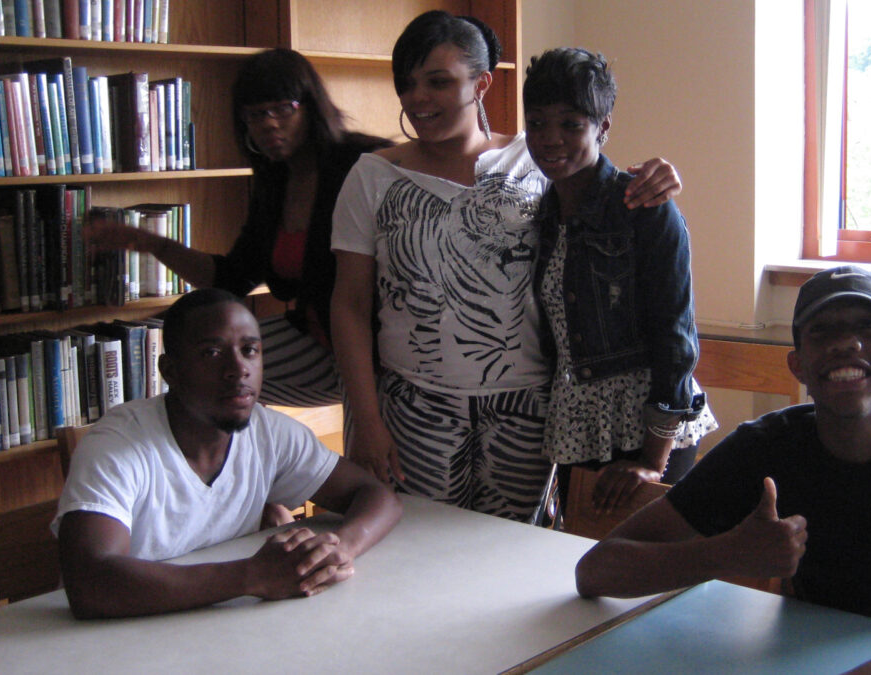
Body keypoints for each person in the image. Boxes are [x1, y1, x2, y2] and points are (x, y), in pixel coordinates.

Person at [575, 266, 871, 673]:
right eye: (822, 332)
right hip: (803, 657)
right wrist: (724, 555)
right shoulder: (766, 448)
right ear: (797, 366)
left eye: (867, 327)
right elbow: (596, 572)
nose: (845, 344)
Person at [331, 10, 684, 521]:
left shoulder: (535, 160)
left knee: (513, 558)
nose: (418, 99)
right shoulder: (372, 177)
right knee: (414, 554)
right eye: (406, 85)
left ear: (482, 83)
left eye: (438, 81)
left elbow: (605, 199)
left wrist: (661, 177)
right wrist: (365, 419)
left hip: (530, 409)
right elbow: (349, 304)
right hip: (415, 406)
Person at [53, 289, 402, 619]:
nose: (239, 369)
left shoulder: (269, 432)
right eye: (212, 353)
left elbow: (377, 495)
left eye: (250, 350)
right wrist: (251, 576)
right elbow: (89, 583)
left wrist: (340, 549)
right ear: (169, 371)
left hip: (221, 629)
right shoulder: (117, 445)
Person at [85, 48, 392, 409]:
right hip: (320, 338)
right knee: (203, 372)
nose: (269, 124)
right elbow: (231, 278)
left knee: (372, 457)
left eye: (282, 109)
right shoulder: (274, 184)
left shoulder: (363, 164)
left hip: (382, 349)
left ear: (310, 106)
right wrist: (151, 244)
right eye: (256, 114)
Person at [522, 48, 716, 514]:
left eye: (571, 124)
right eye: (538, 123)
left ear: (603, 127)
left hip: (647, 429)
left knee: (648, 573)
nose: (551, 139)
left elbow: (675, 340)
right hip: (577, 424)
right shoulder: (542, 214)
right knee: (580, 565)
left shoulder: (644, 207)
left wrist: (653, 461)